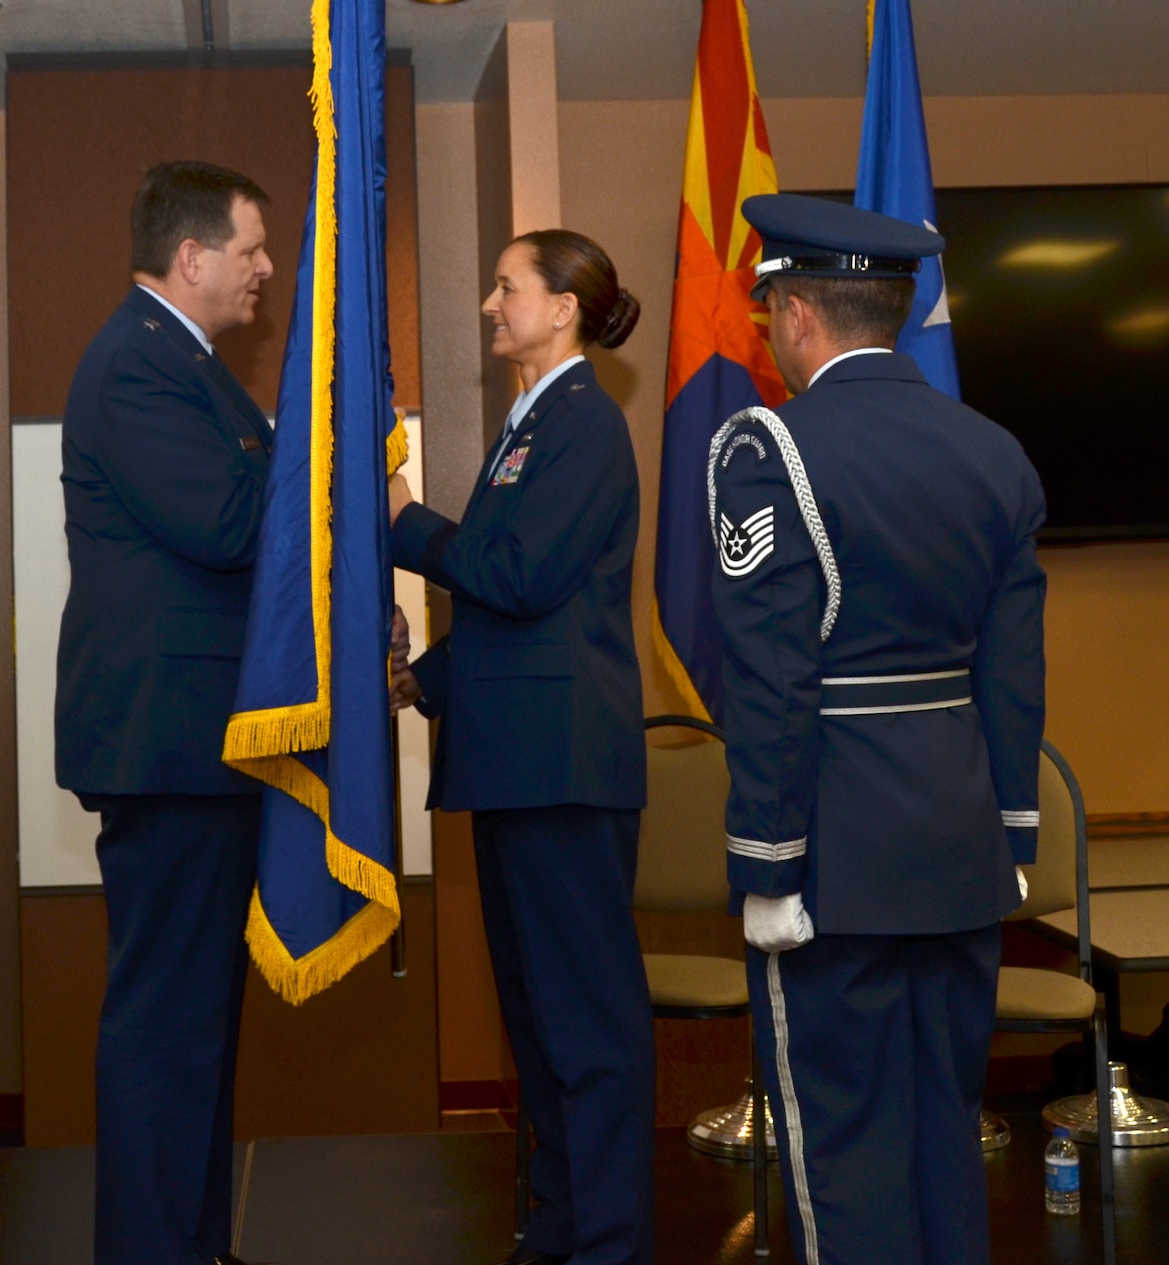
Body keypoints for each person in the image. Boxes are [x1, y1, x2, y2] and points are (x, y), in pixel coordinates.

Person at [708, 193, 1043, 1265]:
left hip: (829, 853)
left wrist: (764, 859)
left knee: (836, 1141)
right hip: (958, 844)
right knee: (941, 1126)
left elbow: (768, 676)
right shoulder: (993, 449)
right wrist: (1015, 835)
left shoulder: (765, 449)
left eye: (768, 315)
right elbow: (1012, 673)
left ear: (797, 313)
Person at [388, 230, 654, 1265]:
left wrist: (404, 522)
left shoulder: (583, 425)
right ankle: (561, 1234)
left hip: (561, 769)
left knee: (584, 1031)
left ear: (564, 307)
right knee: (540, 1028)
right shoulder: (530, 427)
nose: (491, 305)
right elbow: (518, 611)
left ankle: (609, 1247)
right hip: (516, 760)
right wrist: (428, 681)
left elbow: (520, 575)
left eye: (507, 288)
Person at [56, 160, 275, 1265]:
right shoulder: (139, 366)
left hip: (199, 737)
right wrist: (320, 445)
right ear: (190, 259)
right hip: (168, 738)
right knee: (163, 1028)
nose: (265, 273)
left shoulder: (181, 365)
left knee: (195, 1028)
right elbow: (231, 525)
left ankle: (188, 1244)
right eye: (250, 253)